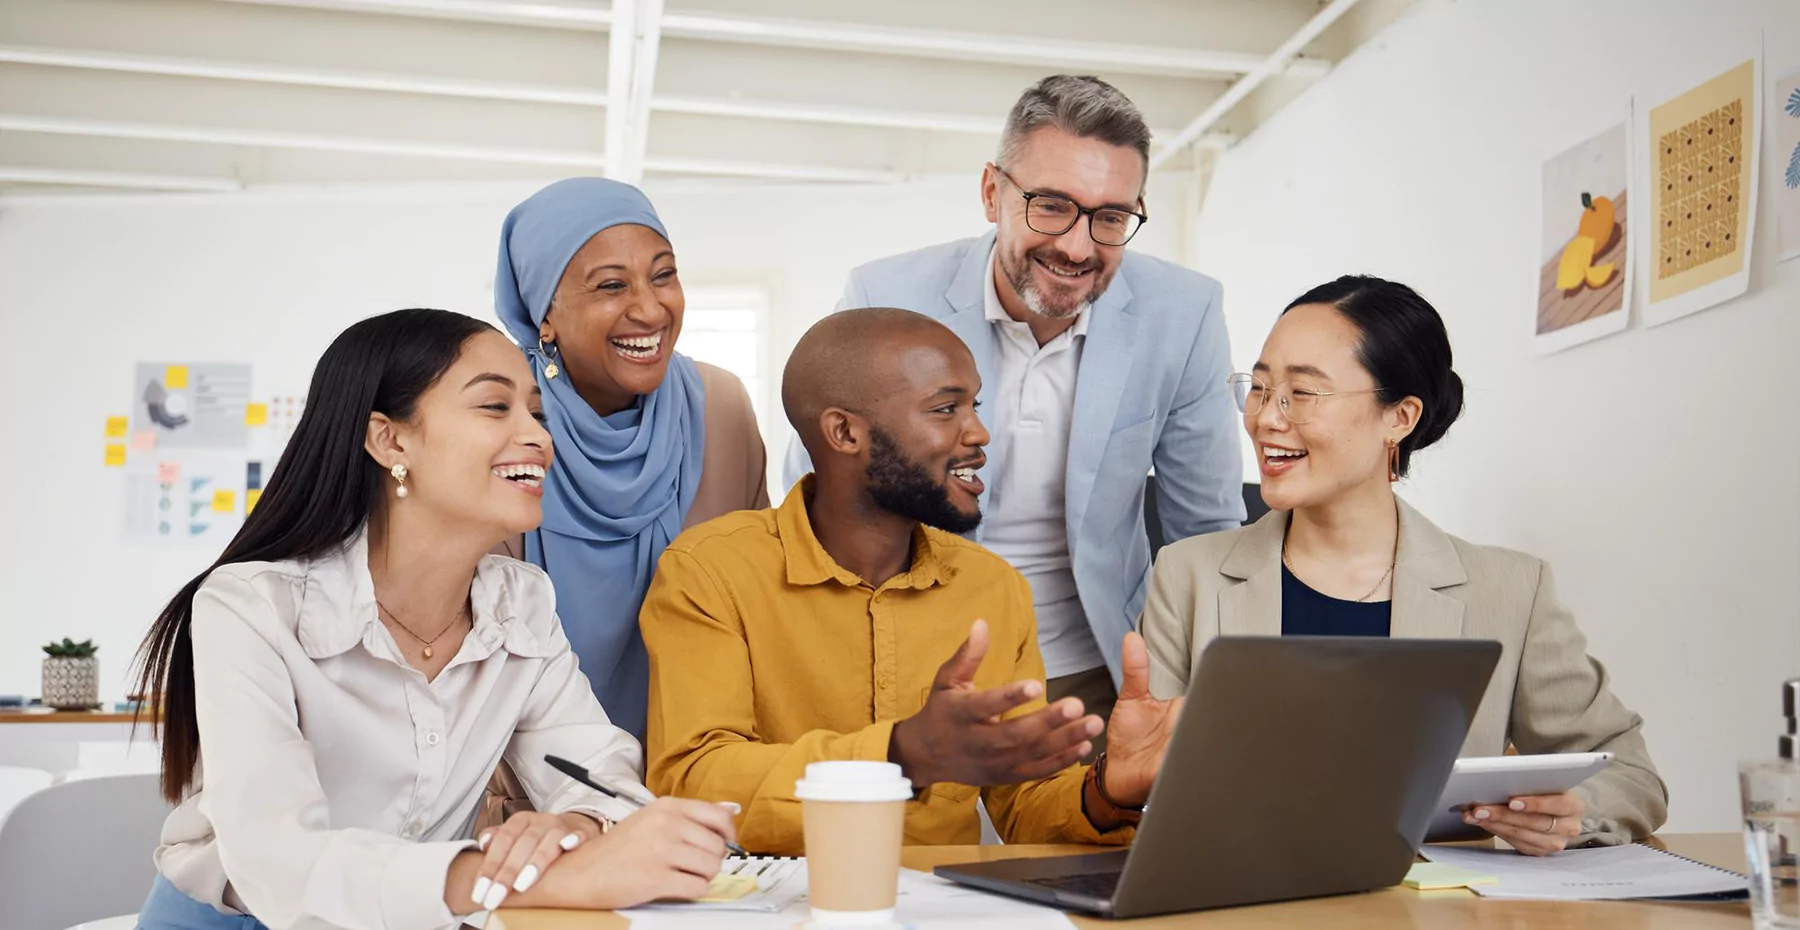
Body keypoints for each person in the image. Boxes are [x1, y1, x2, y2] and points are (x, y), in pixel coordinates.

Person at [130, 309, 736, 930]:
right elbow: (280, 862)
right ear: (390, 441)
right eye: (495, 407)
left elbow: (596, 770)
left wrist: (573, 831)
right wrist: (534, 881)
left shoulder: (522, 603)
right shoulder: (251, 605)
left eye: (537, 411)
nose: (538, 436)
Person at [1138, 276, 1667, 855]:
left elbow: (1632, 775)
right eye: (1260, 388)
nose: (1267, 418)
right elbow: (1151, 783)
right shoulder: (1187, 575)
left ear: (1400, 417)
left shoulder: (1512, 590)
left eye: (1303, 393)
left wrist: (1567, 814)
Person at [782, 76, 1242, 740]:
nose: (1079, 248)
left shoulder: (1184, 313)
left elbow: (1206, 534)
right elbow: (817, 502)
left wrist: (1212, 708)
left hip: (1094, 672)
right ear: (992, 193)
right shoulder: (885, 294)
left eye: (1111, 217)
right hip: (909, 661)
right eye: (1052, 206)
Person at [643, 308, 1182, 854]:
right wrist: (901, 753)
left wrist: (1109, 789)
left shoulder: (993, 589)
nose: (979, 433)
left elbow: (1024, 804)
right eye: (946, 409)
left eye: (975, 405)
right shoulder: (708, 572)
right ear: (845, 432)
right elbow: (694, 779)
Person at [495, 177, 769, 742]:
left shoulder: (720, 408)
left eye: (663, 274)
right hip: (530, 772)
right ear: (543, 312)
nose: (649, 308)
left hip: (700, 757)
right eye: (611, 285)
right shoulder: (500, 424)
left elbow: (759, 598)